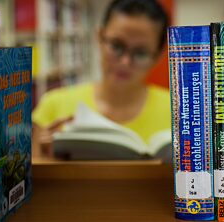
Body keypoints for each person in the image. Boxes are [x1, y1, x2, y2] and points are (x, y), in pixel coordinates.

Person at [32, 0, 170, 157]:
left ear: (158, 56)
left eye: (140, 53)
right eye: (116, 46)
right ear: (99, 37)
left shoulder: (179, 112)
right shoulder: (53, 106)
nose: (125, 62)